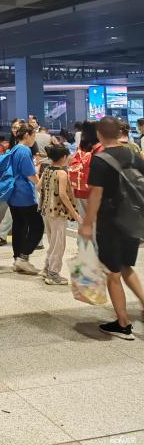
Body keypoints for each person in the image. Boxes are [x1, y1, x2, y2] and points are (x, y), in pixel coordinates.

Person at [80, 116, 144, 340]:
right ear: (119, 133)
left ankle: (123, 324)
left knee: (113, 273)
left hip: (110, 223)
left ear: (99, 134)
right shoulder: (134, 153)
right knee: (126, 266)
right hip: (132, 220)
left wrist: (87, 224)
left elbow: (95, 195)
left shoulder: (100, 159)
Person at [38, 143, 81, 285]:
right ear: (63, 157)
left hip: (46, 210)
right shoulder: (62, 173)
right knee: (59, 245)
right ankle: (53, 274)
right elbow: (63, 195)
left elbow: (38, 186)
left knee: (53, 242)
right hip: (57, 213)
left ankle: (47, 269)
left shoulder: (47, 170)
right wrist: (74, 213)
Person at [7, 124, 44, 275]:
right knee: (37, 227)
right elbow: (30, 174)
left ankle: (17, 259)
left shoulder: (14, 149)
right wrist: (40, 185)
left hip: (13, 194)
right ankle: (23, 258)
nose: (34, 139)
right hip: (25, 195)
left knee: (19, 227)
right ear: (27, 135)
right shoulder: (24, 150)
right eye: (34, 135)